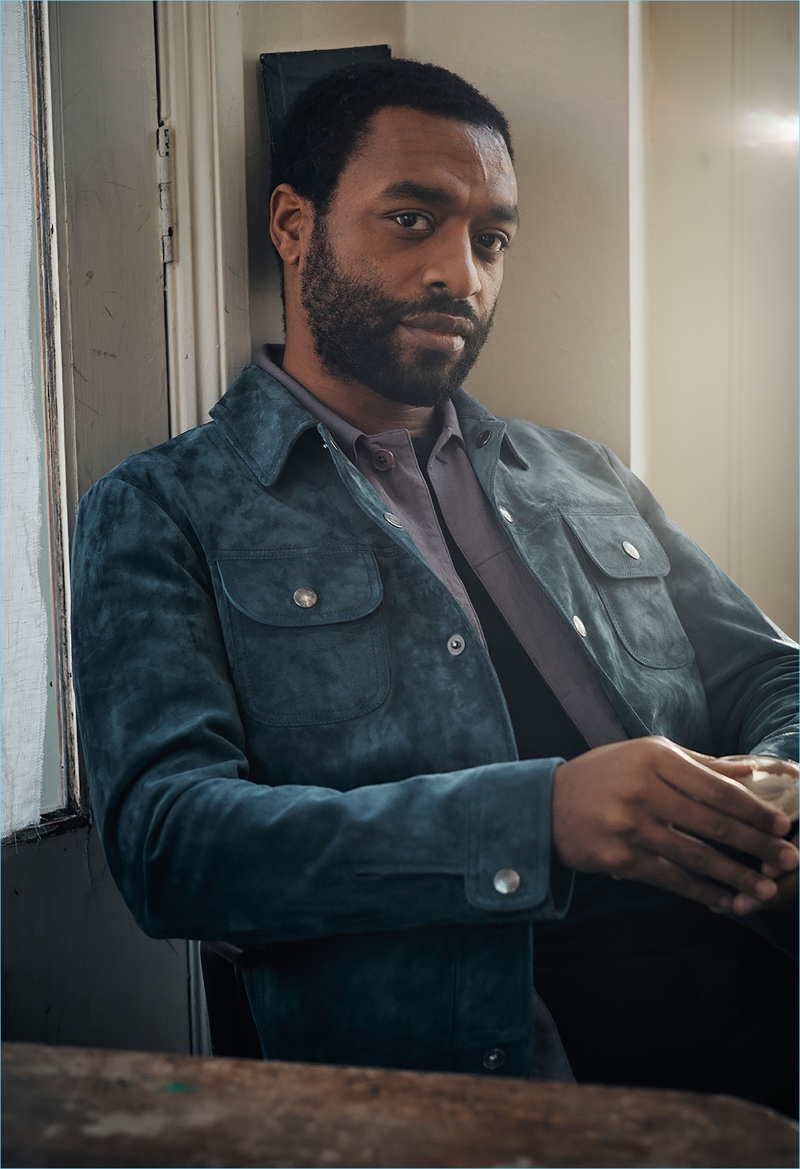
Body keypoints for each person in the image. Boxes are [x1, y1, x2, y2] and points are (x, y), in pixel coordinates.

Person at [71, 59, 798, 1112]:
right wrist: (536, 818)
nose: (460, 272)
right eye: (412, 219)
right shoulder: (164, 507)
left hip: (761, 1032)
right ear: (291, 223)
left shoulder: (580, 471)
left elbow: (773, 674)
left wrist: (776, 779)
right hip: (477, 1091)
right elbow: (168, 844)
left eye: (489, 238)